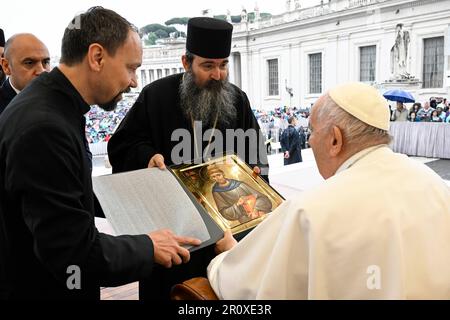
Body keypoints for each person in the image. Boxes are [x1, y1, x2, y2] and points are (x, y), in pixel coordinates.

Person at [0, 7, 200, 300]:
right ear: (97, 57)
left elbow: (66, 190)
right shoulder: (45, 125)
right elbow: (70, 251)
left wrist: (137, 199)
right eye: (131, 68)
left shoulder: (53, 103)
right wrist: (149, 246)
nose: (134, 82)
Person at [207, 82, 450, 299]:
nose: (310, 140)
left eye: (312, 131)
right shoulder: (435, 184)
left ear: (335, 139)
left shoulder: (310, 210)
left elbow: (249, 287)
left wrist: (228, 256)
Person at [107, 16, 268, 300]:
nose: (217, 75)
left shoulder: (237, 99)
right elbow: (123, 144)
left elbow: (255, 153)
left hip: (224, 232)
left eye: (223, 65)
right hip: (174, 234)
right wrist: (148, 155)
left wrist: (256, 176)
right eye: (208, 65)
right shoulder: (156, 96)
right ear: (186, 62)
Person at [0, 33, 51, 114]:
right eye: (29, 62)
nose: (42, 71)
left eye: (46, 62)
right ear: (6, 66)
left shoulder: (59, 100)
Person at [207, 164, 272, 224]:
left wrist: (255, 208)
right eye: (214, 177)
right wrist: (237, 205)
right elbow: (224, 212)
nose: (217, 178)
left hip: (262, 213)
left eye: (218, 175)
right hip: (246, 220)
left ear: (223, 174)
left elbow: (263, 198)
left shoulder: (239, 184)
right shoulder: (217, 192)